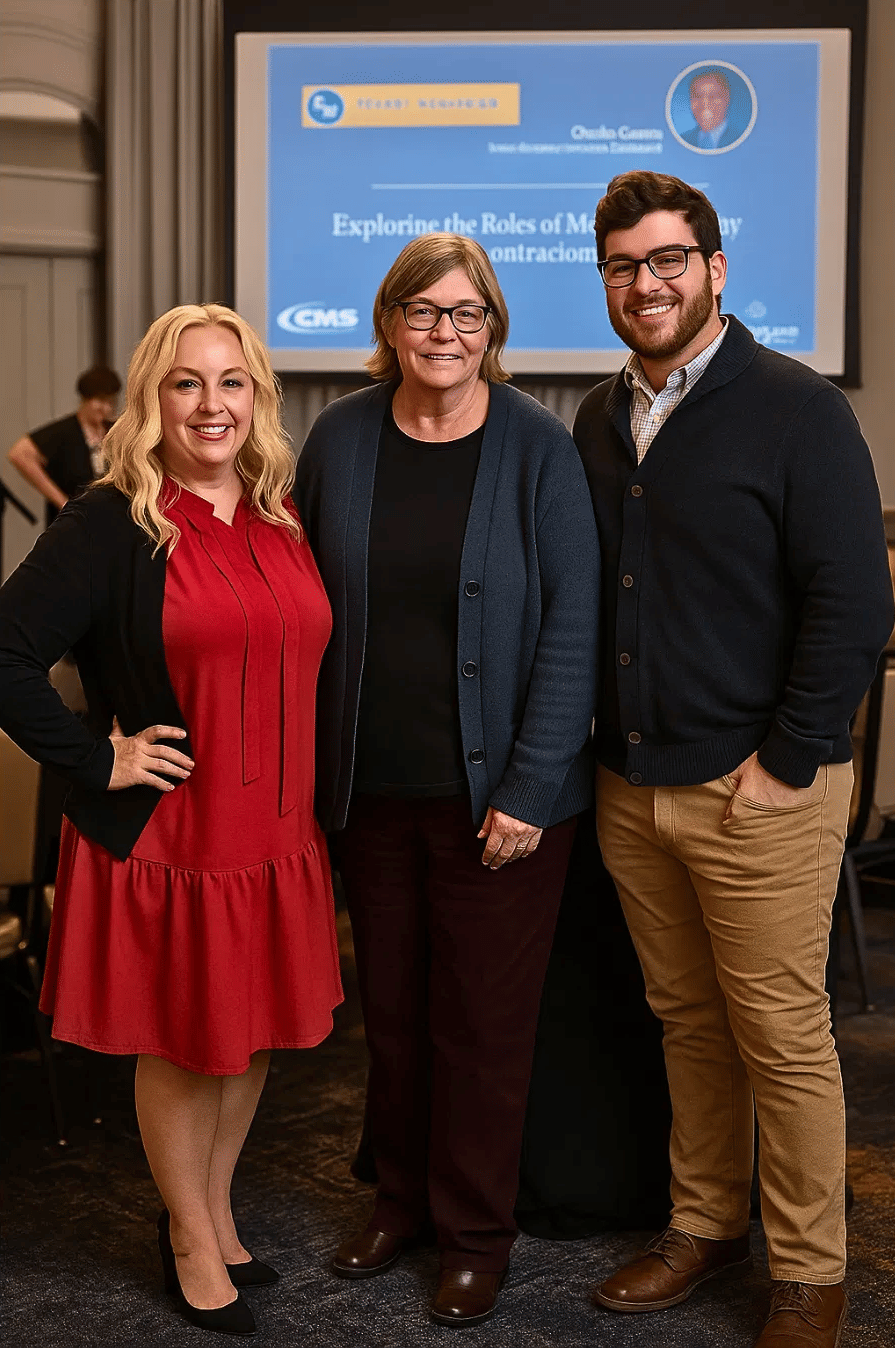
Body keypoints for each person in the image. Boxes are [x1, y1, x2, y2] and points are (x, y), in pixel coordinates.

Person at [573, 170, 893, 1348]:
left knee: (782, 1032)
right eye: (621, 265)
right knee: (686, 1021)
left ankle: (810, 1273)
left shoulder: (794, 407)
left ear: (714, 267)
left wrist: (787, 763)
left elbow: (853, 602)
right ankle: (704, 1224)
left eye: (665, 260)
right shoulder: (601, 418)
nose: (643, 283)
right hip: (632, 786)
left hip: (760, 790)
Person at [0, 303, 342, 1337]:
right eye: (187, 382)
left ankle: (216, 1210)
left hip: (276, 833)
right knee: (191, 1045)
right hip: (174, 838)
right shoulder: (111, 518)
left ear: (258, 398)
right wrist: (94, 755)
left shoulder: (280, 510)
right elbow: (6, 654)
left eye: (231, 381)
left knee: (253, 1040)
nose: (210, 403)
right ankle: (190, 1236)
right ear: (152, 397)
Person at [294, 232, 600, 1327]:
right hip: (369, 797)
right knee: (394, 1011)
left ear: (493, 330)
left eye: (466, 314)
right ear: (388, 325)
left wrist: (526, 786)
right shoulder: (336, 440)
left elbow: (573, 627)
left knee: (482, 1024)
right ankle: (400, 1202)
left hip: (504, 808)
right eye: (423, 311)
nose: (444, 332)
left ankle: (475, 1232)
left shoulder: (535, 447)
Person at [7, 365, 121, 526]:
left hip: (111, 522)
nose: (106, 408)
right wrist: (63, 503)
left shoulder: (115, 430)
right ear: (85, 399)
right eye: (100, 401)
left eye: (111, 402)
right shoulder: (65, 432)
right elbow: (19, 454)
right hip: (74, 525)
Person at [679, 70, 744, 150]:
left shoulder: (742, 139)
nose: (705, 105)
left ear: (727, 99)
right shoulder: (682, 140)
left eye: (713, 96)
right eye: (697, 96)